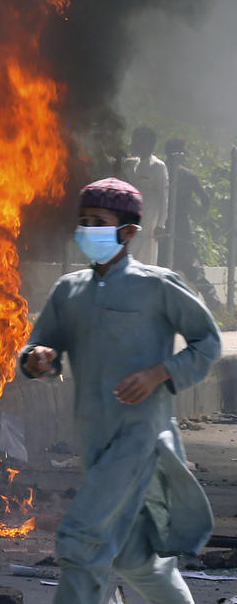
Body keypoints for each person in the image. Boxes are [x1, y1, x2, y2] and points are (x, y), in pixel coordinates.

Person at [19, 177, 220, 604]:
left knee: (80, 541)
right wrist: (38, 359)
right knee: (135, 559)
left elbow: (208, 343)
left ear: (128, 232)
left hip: (141, 437)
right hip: (94, 439)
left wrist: (160, 372)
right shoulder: (69, 291)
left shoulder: (158, 285)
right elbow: (41, 346)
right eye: (84, 221)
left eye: (99, 222)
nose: (88, 230)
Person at [163, 138, 222, 310]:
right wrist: (196, 215)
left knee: (160, 265)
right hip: (182, 225)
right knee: (192, 267)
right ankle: (213, 302)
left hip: (161, 223)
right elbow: (206, 200)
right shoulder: (188, 175)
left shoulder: (160, 170)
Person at [123, 127, 168, 265]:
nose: (133, 144)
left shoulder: (158, 167)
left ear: (148, 144)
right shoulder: (129, 164)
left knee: (144, 264)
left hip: (148, 226)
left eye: (137, 141)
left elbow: (164, 198)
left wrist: (161, 224)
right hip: (128, 222)